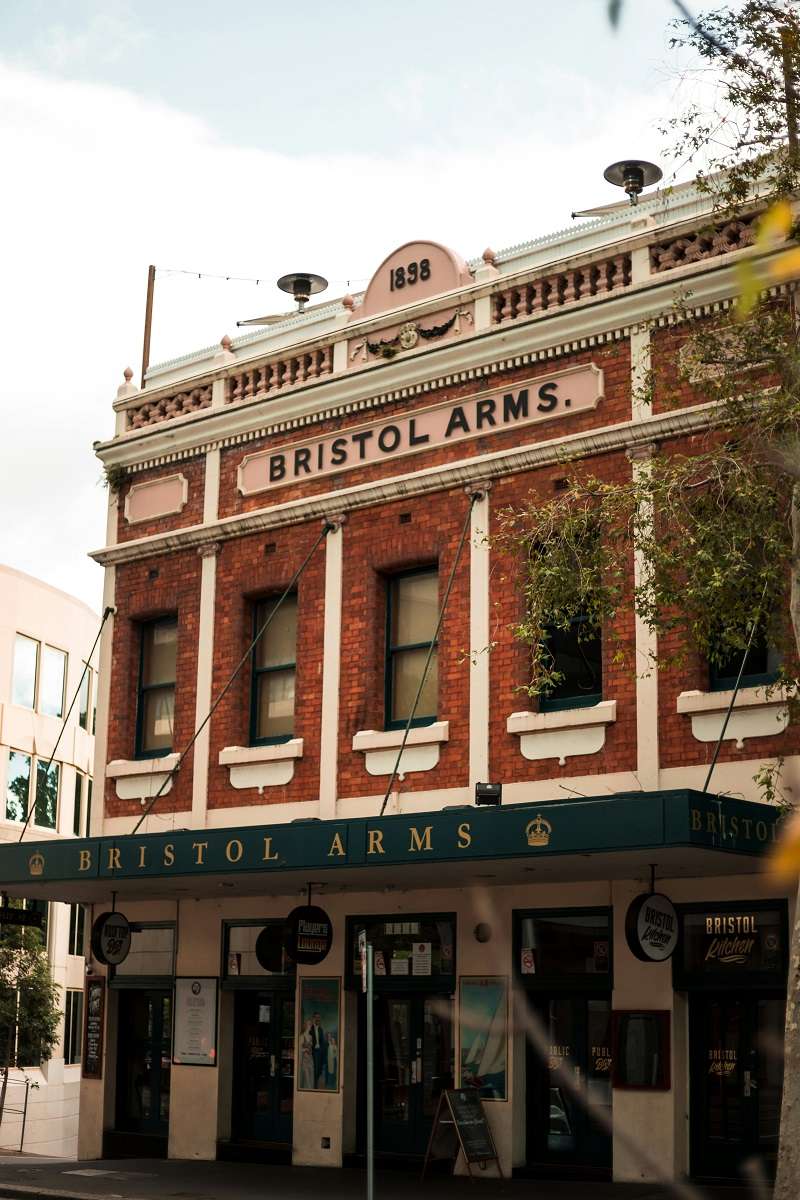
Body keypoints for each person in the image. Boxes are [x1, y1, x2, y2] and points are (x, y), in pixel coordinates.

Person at [311, 1012, 326, 1087]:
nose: (317, 1019)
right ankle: (314, 1086)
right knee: (315, 1070)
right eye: (316, 1017)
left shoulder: (320, 1029)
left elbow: (323, 1042)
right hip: (313, 1052)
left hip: (320, 1052)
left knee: (319, 1069)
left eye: (319, 1017)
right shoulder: (310, 1028)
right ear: (313, 1018)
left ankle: (315, 1084)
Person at [299, 1019, 315, 1090]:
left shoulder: (311, 1037)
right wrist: (305, 1049)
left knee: (311, 1077)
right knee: (307, 1078)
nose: (310, 1026)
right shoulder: (302, 1036)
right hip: (304, 1060)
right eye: (309, 1024)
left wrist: (310, 1050)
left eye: (310, 1024)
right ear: (305, 1025)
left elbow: (311, 1048)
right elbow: (299, 1049)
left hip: (310, 1059)